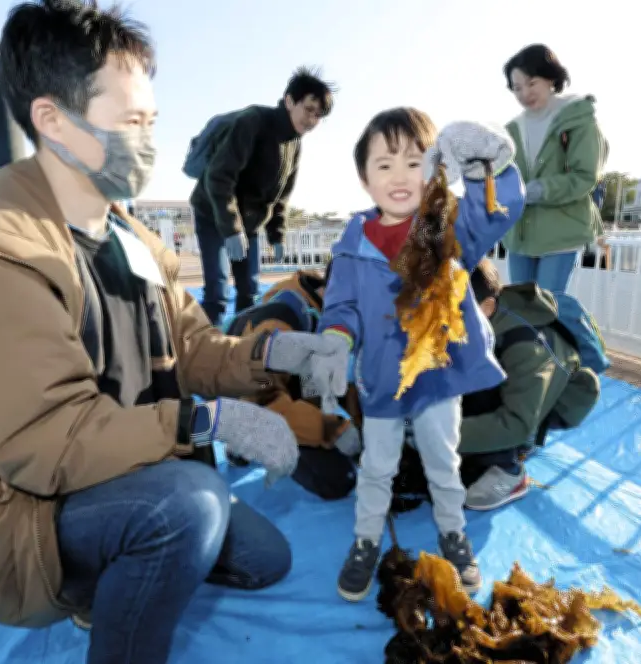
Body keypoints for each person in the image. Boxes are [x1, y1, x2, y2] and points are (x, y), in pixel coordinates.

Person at [0, 3, 350, 664]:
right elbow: (46, 441)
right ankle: (100, 600)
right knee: (189, 508)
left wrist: (275, 351)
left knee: (264, 557)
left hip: (131, 468)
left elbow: (191, 344)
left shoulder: (126, 232)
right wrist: (205, 422)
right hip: (24, 514)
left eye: (152, 121)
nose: (149, 141)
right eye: (131, 122)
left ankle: (127, 561)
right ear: (52, 119)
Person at [318, 107, 526, 602]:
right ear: (364, 179)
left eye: (415, 162)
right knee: (377, 467)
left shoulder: (447, 228)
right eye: (384, 164)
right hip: (381, 378)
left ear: (436, 171)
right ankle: (366, 541)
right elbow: (341, 306)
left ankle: (454, 535)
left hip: (438, 376)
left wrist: (488, 167)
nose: (399, 176)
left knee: (443, 463)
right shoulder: (351, 246)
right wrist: (336, 340)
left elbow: (496, 210)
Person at [391, 258, 601, 513]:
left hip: (546, 404)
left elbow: (516, 424)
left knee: (482, 409)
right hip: (510, 385)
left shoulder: (527, 345)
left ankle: (509, 472)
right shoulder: (476, 323)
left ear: (488, 306)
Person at [188, 67, 335, 324]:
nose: (312, 120)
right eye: (308, 109)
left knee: (250, 291)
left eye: (318, 115)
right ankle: (207, 344)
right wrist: (231, 229)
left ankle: (243, 341)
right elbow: (219, 177)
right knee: (218, 291)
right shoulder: (253, 121)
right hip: (213, 213)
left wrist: (277, 235)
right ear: (289, 101)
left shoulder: (295, 142)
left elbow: (281, 196)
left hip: (250, 223)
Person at [224, 266, 361, 501]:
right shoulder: (281, 321)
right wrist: (331, 429)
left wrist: (367, 429)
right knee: (336, 478)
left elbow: (346, 380)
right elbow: (263, 399)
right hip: (249, 393)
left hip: (287, 383)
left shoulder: (329, 313)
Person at [501, 43, 608, 293]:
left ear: (551, 78)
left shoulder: (577, 118)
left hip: (561, 231)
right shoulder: (512, 129)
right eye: (517, 88)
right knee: (520, 305)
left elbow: (585, 176)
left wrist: (539, 190)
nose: (525, 93)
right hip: (521, 236)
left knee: (548, 305)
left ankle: (570, 321)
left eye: (532, 83)